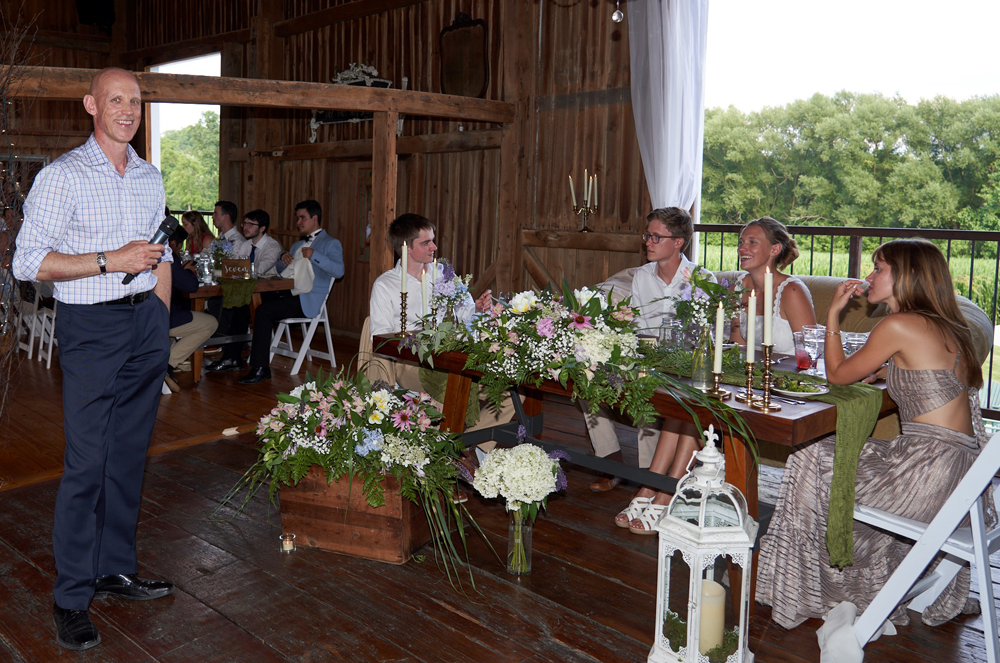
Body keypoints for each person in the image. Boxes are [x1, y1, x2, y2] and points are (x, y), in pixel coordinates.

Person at [12, 67, 175, 651]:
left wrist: (160, 319)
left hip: (145, 324)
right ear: (91, 105)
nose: (128, 110)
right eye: (116, 100)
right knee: (85, 463)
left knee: (128, 455)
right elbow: (27, 263)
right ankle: (72, 596)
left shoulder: (151, 176)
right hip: (91, 327)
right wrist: (111, 260)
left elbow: (160, 255)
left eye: (135, 100)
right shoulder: (62, 177)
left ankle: (114, 570)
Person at [757, 238, 995, 630]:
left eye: (878, 268)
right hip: (961, 475)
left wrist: (832, 314)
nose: (869, 277)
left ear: (907, 276)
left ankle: (814, 584)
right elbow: (933, 377)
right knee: (838, 453)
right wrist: (891, 371)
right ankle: (854, 570)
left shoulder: (898, 324)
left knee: (809, 454)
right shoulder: (946, 325)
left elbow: (837, 375)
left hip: (923, 477)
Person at [594, 207, 716, 533]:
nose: (648, 242)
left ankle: (655, 489)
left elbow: (704, 338)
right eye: (647, 235)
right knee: (592, 373)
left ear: (678, 243)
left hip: (688, 368)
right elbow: (636, 327)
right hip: (650, 362)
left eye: (656, 237)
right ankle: (640, 480)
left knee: (668, 395)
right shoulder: (643, 277)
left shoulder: (702, 279)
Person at [368, 213, 515, 435]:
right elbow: (379, 338)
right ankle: (449, 445)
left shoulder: (442, 273)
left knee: (515, 391)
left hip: (454, 357)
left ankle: (476, 445)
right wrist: (418, 340)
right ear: (407, 248)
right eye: (426, 242)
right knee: (449, 386)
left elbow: (465, 312)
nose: (434, 246)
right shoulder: (385, 285)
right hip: (411, 364)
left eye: (433, 240)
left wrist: (477, 308)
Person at [238, 199, 344, 384]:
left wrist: (315, 256)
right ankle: (234, 355)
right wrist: (282, 257)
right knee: (247, 299)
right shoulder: (297, 245)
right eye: (297, 218)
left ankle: (260, 367)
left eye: (302, 218)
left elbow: (339, 270)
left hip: (308, 299)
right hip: (290, 292)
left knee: (263, 310)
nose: (298, 222)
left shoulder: (330, 243)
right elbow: (281, 271)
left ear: (315, 218)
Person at [206, 209, 281, 373]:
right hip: (247, 290)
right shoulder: (246, 245)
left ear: (262, 228)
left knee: (237, 306)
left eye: (250, 224)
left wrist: (236, 268)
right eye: (244, 223)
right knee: (222, 302)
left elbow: (260, 268)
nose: (245, 227)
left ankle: (232, 356)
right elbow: (231, 265)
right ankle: (230, 354)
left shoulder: (272, 246)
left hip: (267, 292)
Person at [729, 217, 816, 355]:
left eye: (752, 242)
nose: (742, 249)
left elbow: (810, 350)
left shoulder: (792, 291)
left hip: (792, 371)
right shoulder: (738, 287)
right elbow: (738, 347)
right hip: (755, 371)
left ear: (774, 250)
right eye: (741, 242)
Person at [165, 227, 218, 390]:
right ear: (173, 244)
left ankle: (167, 361)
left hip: (138, 315)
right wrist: (188, 271)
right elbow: (191, 286)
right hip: (161, 318)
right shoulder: (167, 256)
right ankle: (168, 364)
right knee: (210, 323)